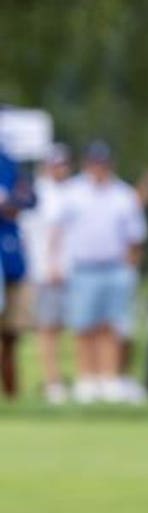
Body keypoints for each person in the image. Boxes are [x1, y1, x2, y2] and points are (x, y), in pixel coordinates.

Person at [52, 141, 147, 404]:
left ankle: (109, 379)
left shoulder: (124, 194)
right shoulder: (73, 193)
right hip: (83, 268)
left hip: (115, 267)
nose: (98, 169)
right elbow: (57, 231)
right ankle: (87, 380)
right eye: (94, 163)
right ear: (87, 164)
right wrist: (55, 263)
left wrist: (130, 269)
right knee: (84, 326)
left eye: (102, 164)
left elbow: (136, 238)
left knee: (113, 326)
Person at [19, 144, 72, 403]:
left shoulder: (72, 191)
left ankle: (73, 380)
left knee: (73, 328)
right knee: (47, 328)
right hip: (45, 272)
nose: (59, 169)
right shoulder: (37, 193)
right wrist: (45, 266)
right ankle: (52, 382)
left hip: (73, 271)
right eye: (55, 164)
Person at [0, 141, 35, 402]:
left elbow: (29, 198)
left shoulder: (8, 162)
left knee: (11, 333)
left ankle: (12, 395)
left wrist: (8, 203)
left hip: (10, 259)